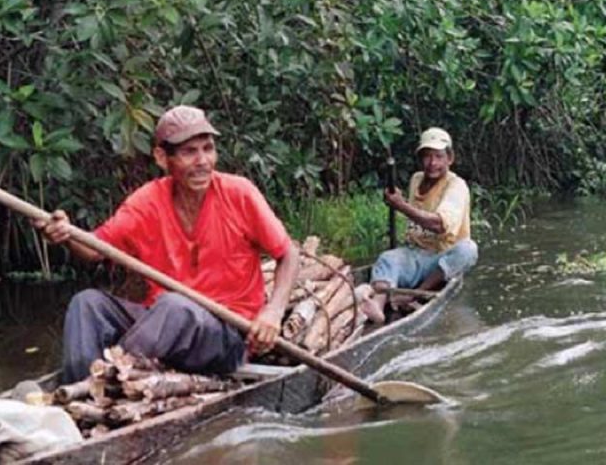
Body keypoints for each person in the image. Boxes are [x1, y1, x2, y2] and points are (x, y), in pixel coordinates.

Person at [34, 105, 300, 384]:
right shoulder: (148, 201)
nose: (203, 161)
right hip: (161, 327)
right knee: (86, 303)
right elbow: (94, 249)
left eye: (208, 149)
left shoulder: (239, 193)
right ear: (163, 158)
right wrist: (65, 235)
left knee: (176, 307)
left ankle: (111, 381)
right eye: (189, 152)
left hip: (226, 336)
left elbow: (288, 253)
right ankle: (78, 387)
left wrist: (274, 311)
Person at [360, 127, 478, 323]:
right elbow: (414, 212)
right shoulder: (416, 179)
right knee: (388, 259)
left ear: (450, 158)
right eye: (427, 157)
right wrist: (397, 200)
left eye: (439, 157)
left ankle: (417, 294)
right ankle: (378, 305)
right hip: (415, 254)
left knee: (468, 249)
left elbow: (439, 225)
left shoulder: (456, 186)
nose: (432, 163)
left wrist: (401, 206)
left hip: (443, 258)